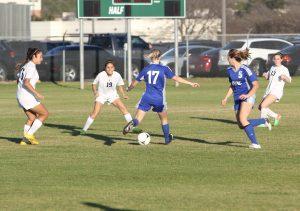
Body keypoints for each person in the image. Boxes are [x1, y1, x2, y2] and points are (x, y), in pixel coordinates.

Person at [123, 49, 199, 144]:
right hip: (159, 99)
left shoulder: (146, 69)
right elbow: (176, 78)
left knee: (138, 119)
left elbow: (135, 82)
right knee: (164, 119)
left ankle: (132, 123)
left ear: (151, 58)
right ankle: (167, 139)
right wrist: (190, 83)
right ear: (160, 57)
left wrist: (129, 88)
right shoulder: (164, 69)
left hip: (146, 97)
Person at [221, 49, 271, 149]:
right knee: (241, 124)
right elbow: (232, 85)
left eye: (228, 57)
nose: (227, 59)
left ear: (232, 58)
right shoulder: (229, 70)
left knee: (243, 120)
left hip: (249, 96)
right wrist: (226, 97)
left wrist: (248, 95)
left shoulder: (246, 69)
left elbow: (256, 85)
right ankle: (263, 121)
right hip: (237, 98)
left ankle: (255, 144)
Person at [82, 60, 138, 133]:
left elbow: (120, 86)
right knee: (95, 113)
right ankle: (84, 130)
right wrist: (95, 92)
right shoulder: (101, 75)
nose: (110, 69)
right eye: (108, 67)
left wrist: (123, 94)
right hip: (101, 95)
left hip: (113, 95)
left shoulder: (117, 75)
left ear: (114, 68)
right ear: (105, 68)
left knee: (123, 108)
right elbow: (94, 84)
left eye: (111, 67)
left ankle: (133, 128)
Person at [17, 48, 49, 145]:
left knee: (32, 118)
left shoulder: (26, 66)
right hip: (27, 97)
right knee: (45, 114)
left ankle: (24, 140)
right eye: (40, 57)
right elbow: (26, 82)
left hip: (20, 96)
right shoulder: (31, 66)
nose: (42, 59)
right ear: (34, 56)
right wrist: (36, 93)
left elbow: (19, 80)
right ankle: (29, 135)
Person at [259, 53, 292, 127]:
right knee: (260, 107)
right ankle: (276, 116)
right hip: (269, 90)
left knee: (263, 105)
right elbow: (269, 77)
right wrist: (266, 75)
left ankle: (264, 122)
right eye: (275, 59)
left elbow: (289, 80)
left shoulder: (284, 69)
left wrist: (284, 77)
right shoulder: (272, 67)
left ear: (281, 59)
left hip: (276, 91)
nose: (276, 60)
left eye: (278, 59)